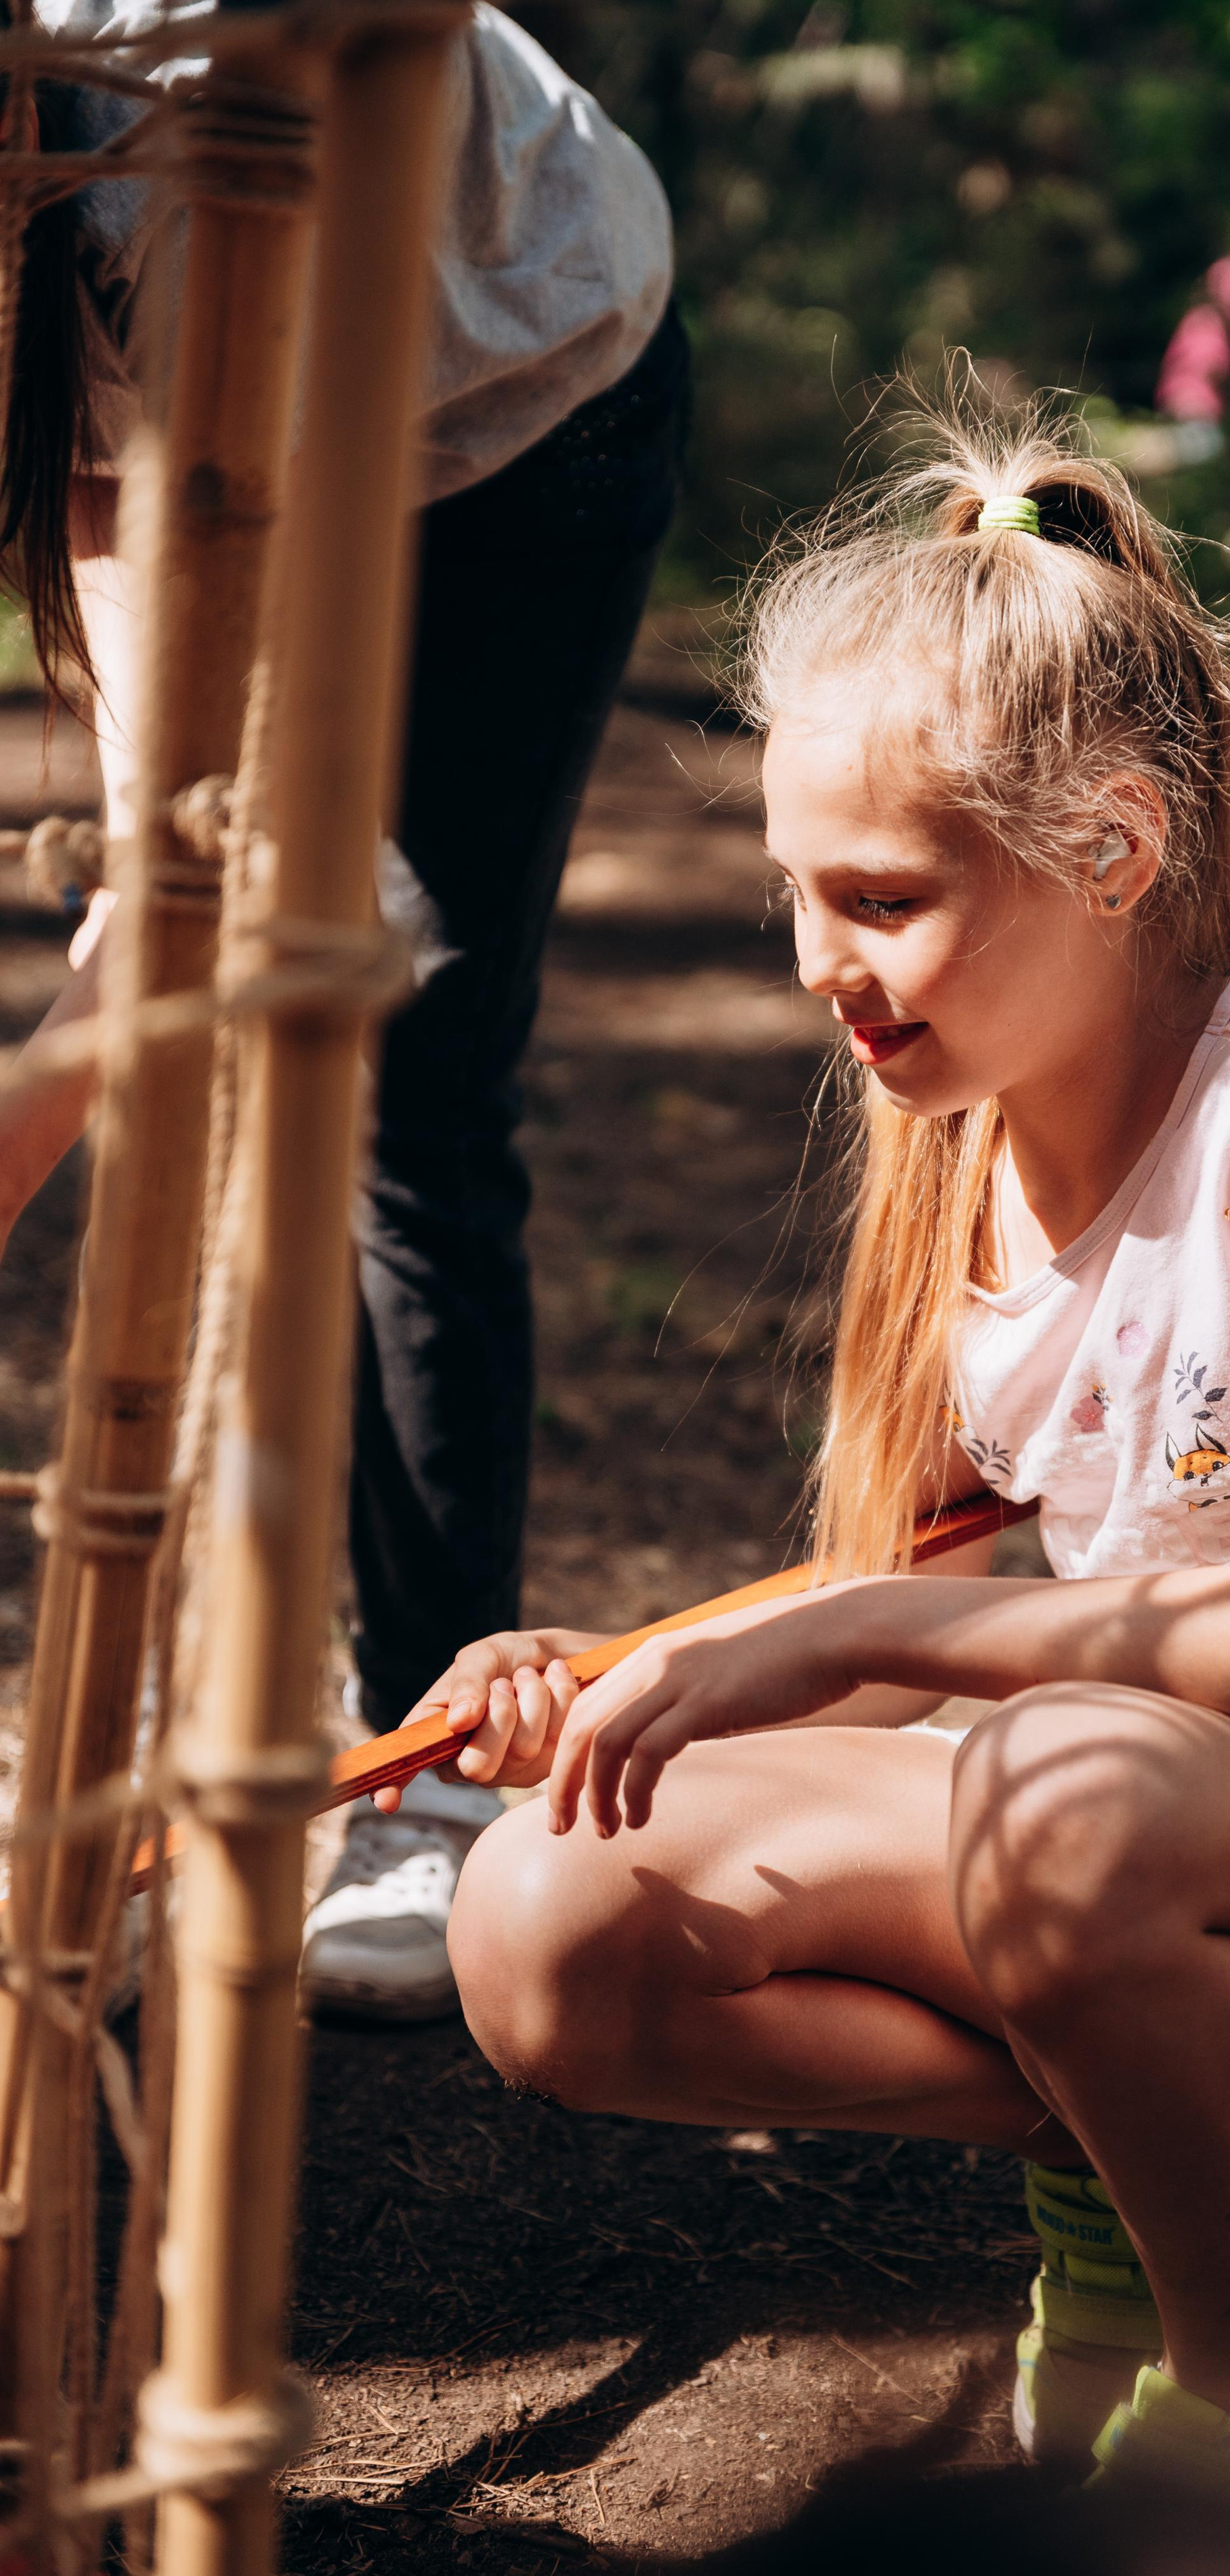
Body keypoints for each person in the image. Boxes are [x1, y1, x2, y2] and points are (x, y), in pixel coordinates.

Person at [380, 398, 1230, 2531]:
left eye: (878, 899)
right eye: (794, 894)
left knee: (1064, 1774)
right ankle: (1140, 2140)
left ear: (1112, 849)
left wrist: (873, 1623)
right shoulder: (967, 1161)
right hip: (1121, 1836)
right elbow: (970, 1602)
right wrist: (645, 1664)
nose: (809, 965)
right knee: (546, 1911)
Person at [0, 5, 688, 2019]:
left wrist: (114, 978)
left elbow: (247, 801)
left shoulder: (207, 109)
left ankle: (423, 1768)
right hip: (215, 412)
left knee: (406, 1070)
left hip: (529, 393)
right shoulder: (73, 245)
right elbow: (124, 507)